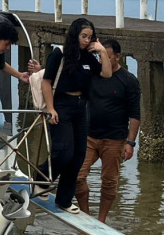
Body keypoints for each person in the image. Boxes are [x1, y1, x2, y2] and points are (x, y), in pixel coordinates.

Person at [41, 18, 112, 213]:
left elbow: (106, 74)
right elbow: (46, 82)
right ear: (75, 35)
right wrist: (50, 108)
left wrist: (102, 51)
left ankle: (63, 199)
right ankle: (40, 179)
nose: (87, 40)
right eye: (83, 36)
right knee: (63, 152)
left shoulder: (89, 56)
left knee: (79, 155)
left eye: (90, 37)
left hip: (82, 106)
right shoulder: (60, 54)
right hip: (61, 104)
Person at [75, 39, 141, 223]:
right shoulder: (93, 74)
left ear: (118, 57)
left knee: (109, 181)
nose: (102, 60)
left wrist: (130, 143)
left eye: (107, 56)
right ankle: (86, 215)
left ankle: (101, 220)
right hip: (89, 136)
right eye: (99, 55)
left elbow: (135, 115)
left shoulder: (128, 81)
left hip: (115, 139)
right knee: (77, 176)